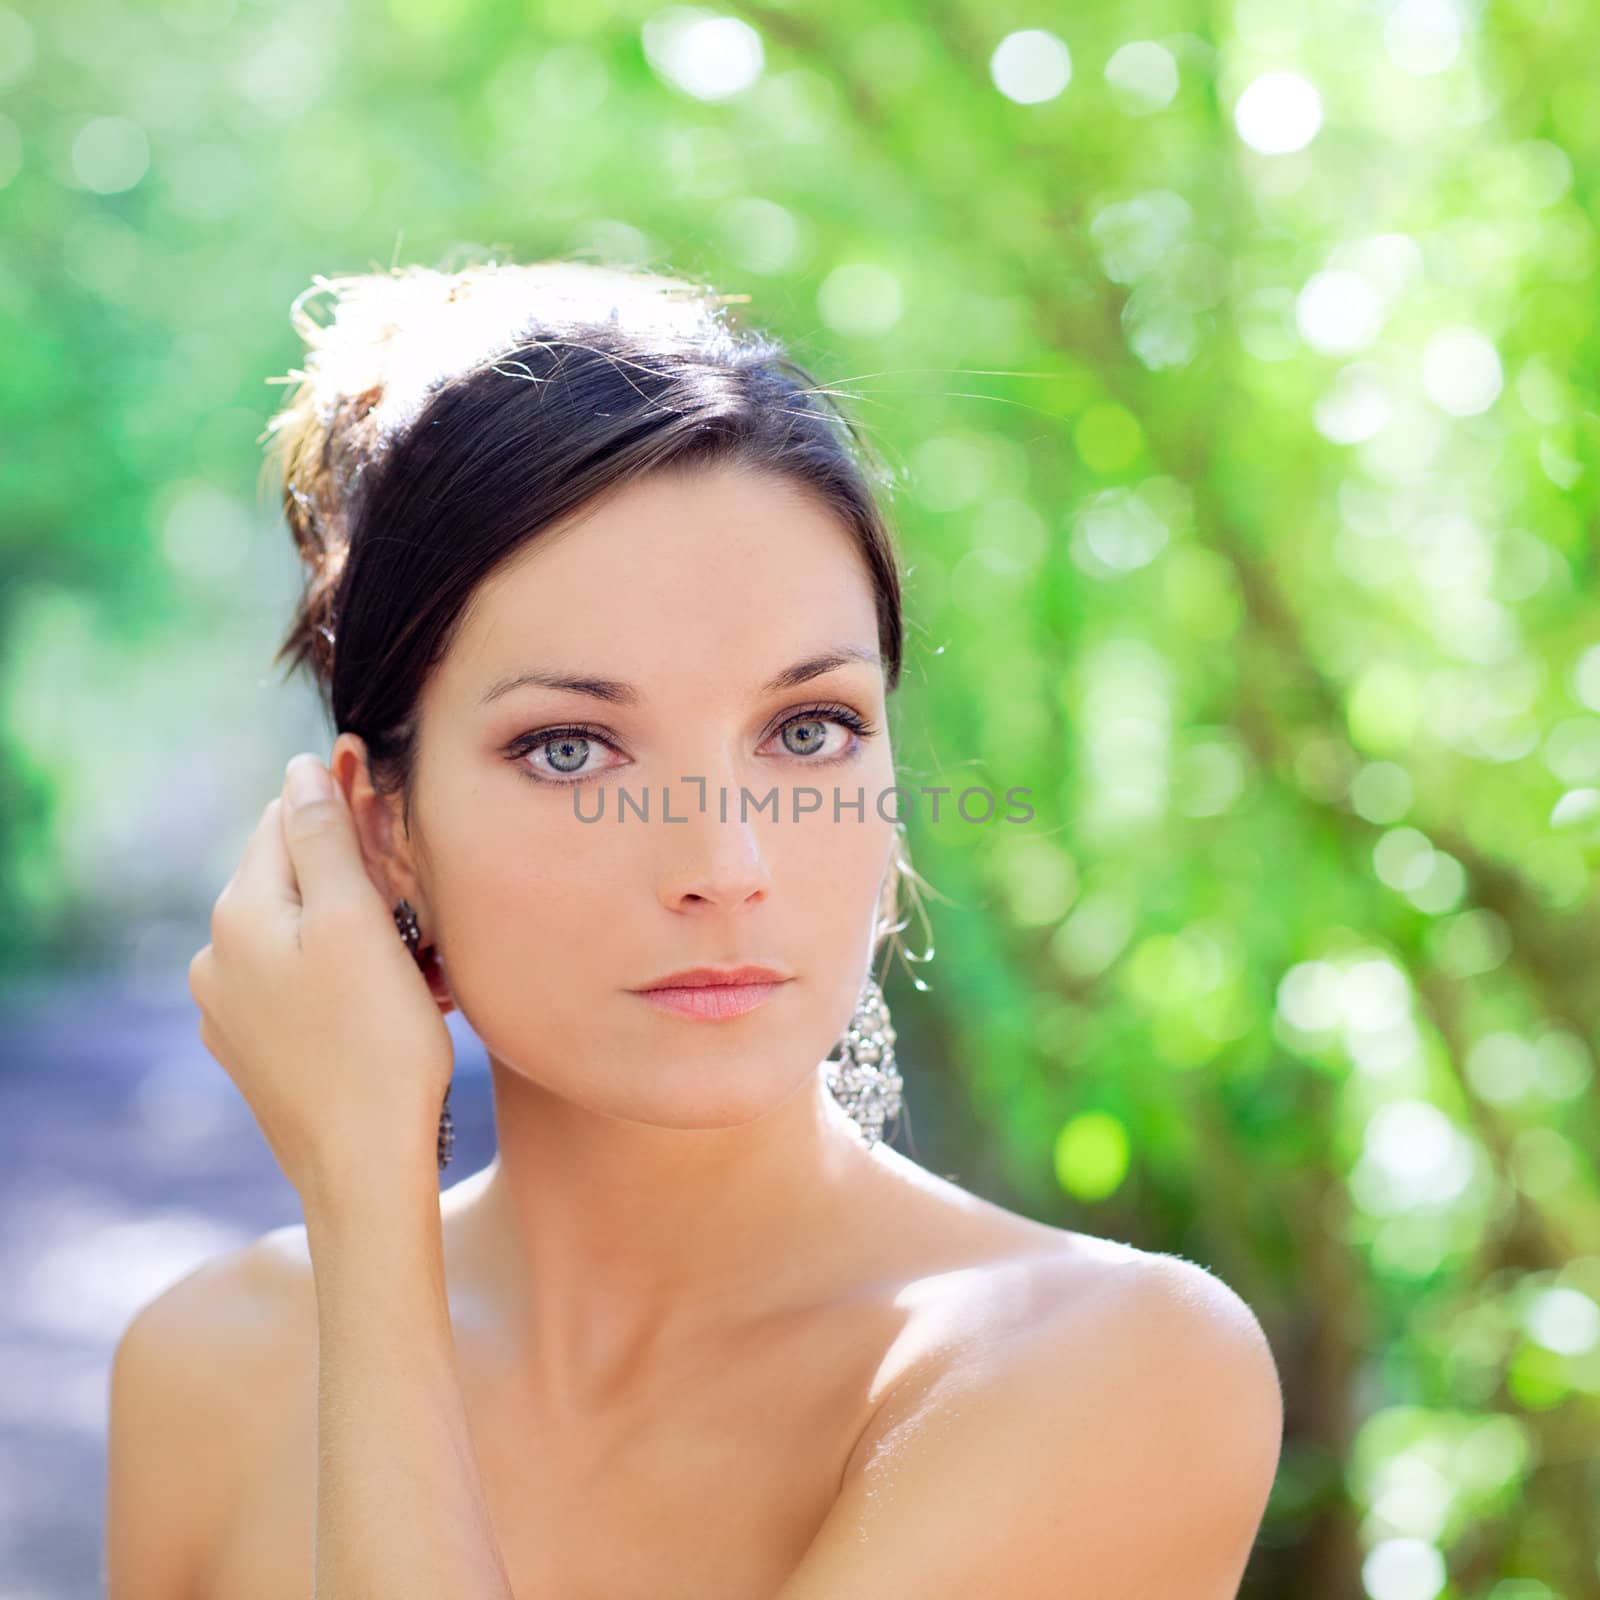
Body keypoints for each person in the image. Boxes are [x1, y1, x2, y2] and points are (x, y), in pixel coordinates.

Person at [104, 256, 1283, 1598]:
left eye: (808, 730)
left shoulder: (1103, 1366)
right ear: (383, 832)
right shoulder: (209, 1375)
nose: (725, 863)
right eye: (569, 750)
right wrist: (366, 1213)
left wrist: (373, 1213)